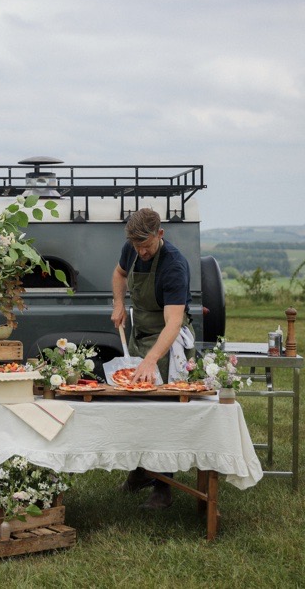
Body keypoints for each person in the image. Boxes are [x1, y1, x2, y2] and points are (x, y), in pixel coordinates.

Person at [111, 208, 195, 509]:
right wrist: (119, 304)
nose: (141, 252)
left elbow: (173, 323)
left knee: (163, 410)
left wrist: (149, 361)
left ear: (160, 234)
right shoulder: (132, 247)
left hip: (167, 342)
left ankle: (163, 485)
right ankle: (139, 471)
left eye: (146, 246)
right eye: (136, 247)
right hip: (140, 334)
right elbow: (119, 274)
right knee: (136, 408)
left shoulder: (174, 266)